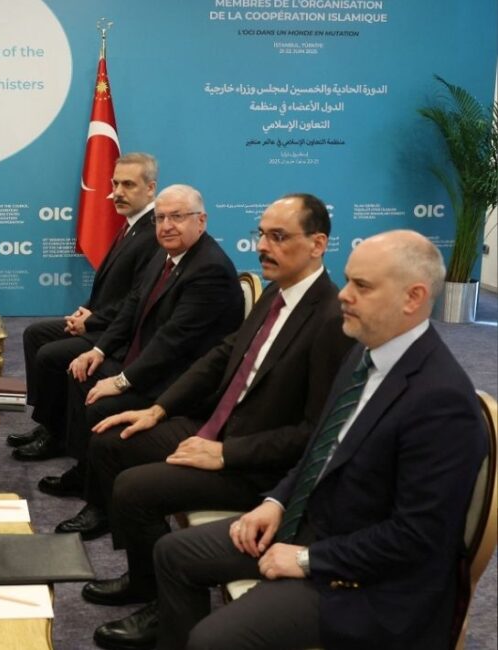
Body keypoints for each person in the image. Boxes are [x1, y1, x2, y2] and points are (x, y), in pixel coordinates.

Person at [150, 230, 487, 650]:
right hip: (317, 525)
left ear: (413, 298)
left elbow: (417, 538)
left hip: (370, 584)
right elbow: (321, 450)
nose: (343, 295)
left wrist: (308, 559)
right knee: (173, 553)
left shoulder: (441, 401)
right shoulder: (363, 353)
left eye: (361, 286)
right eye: (347, 280)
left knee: (212, 640)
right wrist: (275, 502)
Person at [85, 194, 354, 649]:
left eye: (279, 237)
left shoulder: (330, 319)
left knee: (135, 488)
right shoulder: (277, 291)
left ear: (318, 244)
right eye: (262, 234)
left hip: (256, 466)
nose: (263, 247)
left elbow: (314, 436)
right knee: (112, 439)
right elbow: (221, 357)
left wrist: (225, 453)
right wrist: (159, 409)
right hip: (218, 428)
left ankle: (162, 610)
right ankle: (146, 584)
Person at [54, 185, 245, 539]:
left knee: (100, 405)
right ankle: (88, 477)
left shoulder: (210, 270)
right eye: (160, 218)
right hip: (148, 362)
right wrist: (98, 351)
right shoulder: (166, 254)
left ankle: (101, 509)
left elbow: (172, 344)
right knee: (81, 373)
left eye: (177, 217)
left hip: (180, 382)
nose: (167, 226)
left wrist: (123, 380)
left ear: (201, 221)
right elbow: (130, 309)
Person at [11, 153, 161, 469]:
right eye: (115, 183)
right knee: (35, 334)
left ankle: (56, 436)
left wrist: (94, 320)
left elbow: (137, 298)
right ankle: (50, 422)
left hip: (120, 334)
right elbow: (115, 288)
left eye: (128, 184)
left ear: (150, 189)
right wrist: (87, 312)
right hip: (102, 319)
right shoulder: (131, 225)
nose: (118, 191)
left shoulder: (154, 233)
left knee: (51, 355)